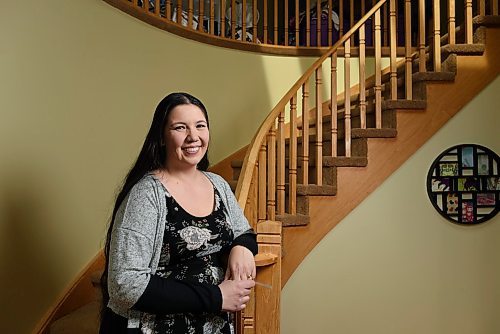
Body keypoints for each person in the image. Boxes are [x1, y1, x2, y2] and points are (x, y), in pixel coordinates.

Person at [99, 92, 257, 333]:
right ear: (162, 138)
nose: (193, 136)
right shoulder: (147, 195)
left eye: (200, 126)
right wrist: (215, 297)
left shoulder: (217, 184)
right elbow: (125, 284)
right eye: (180, 128)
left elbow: (243, 231)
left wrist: (242, 247)